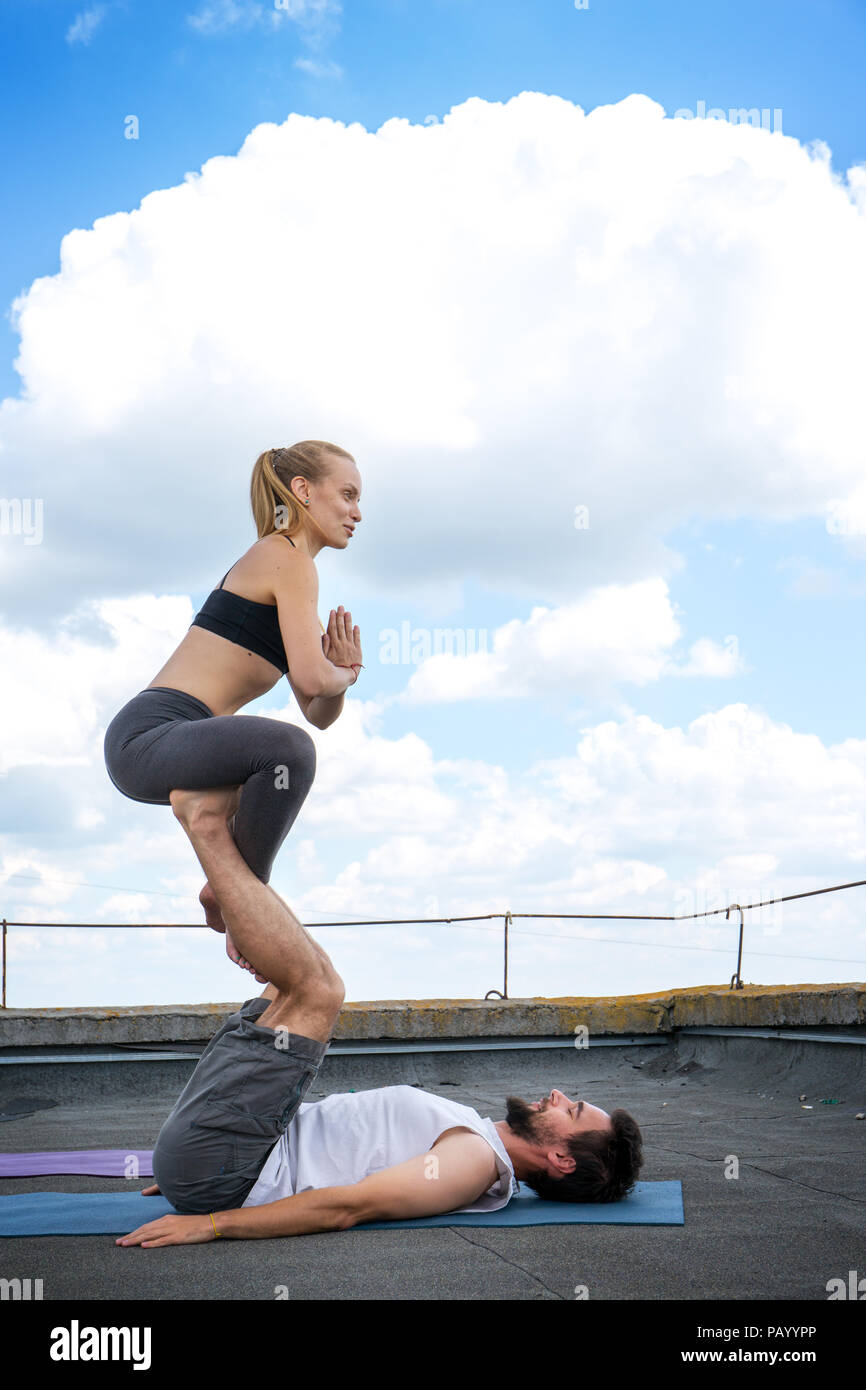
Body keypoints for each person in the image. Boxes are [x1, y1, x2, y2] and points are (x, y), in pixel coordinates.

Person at [115, 786, 643, 1248]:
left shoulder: (475, 1163)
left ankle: (208, 830)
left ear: (562, 1161)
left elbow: (348, 1207)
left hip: (227, 1171)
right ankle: (232, 894)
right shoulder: (473, 1133)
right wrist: (204, 1162)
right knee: (301, 980)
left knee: (320, 991)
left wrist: (210, 1223)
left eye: (571, 1111)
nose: (557, 1096)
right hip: (234, 1153)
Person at [103, 440, 363, 978]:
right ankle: (242, 901)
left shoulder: (293, 573)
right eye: (347, 495)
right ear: (303, 491)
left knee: (291, 750)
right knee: (285, 750)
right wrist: (344, 673)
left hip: (175, 739)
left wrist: (337, 682)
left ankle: (232, 892)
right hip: (148, 734)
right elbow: (317, 681)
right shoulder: (282, 554)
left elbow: (318, 709)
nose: (357, 512)